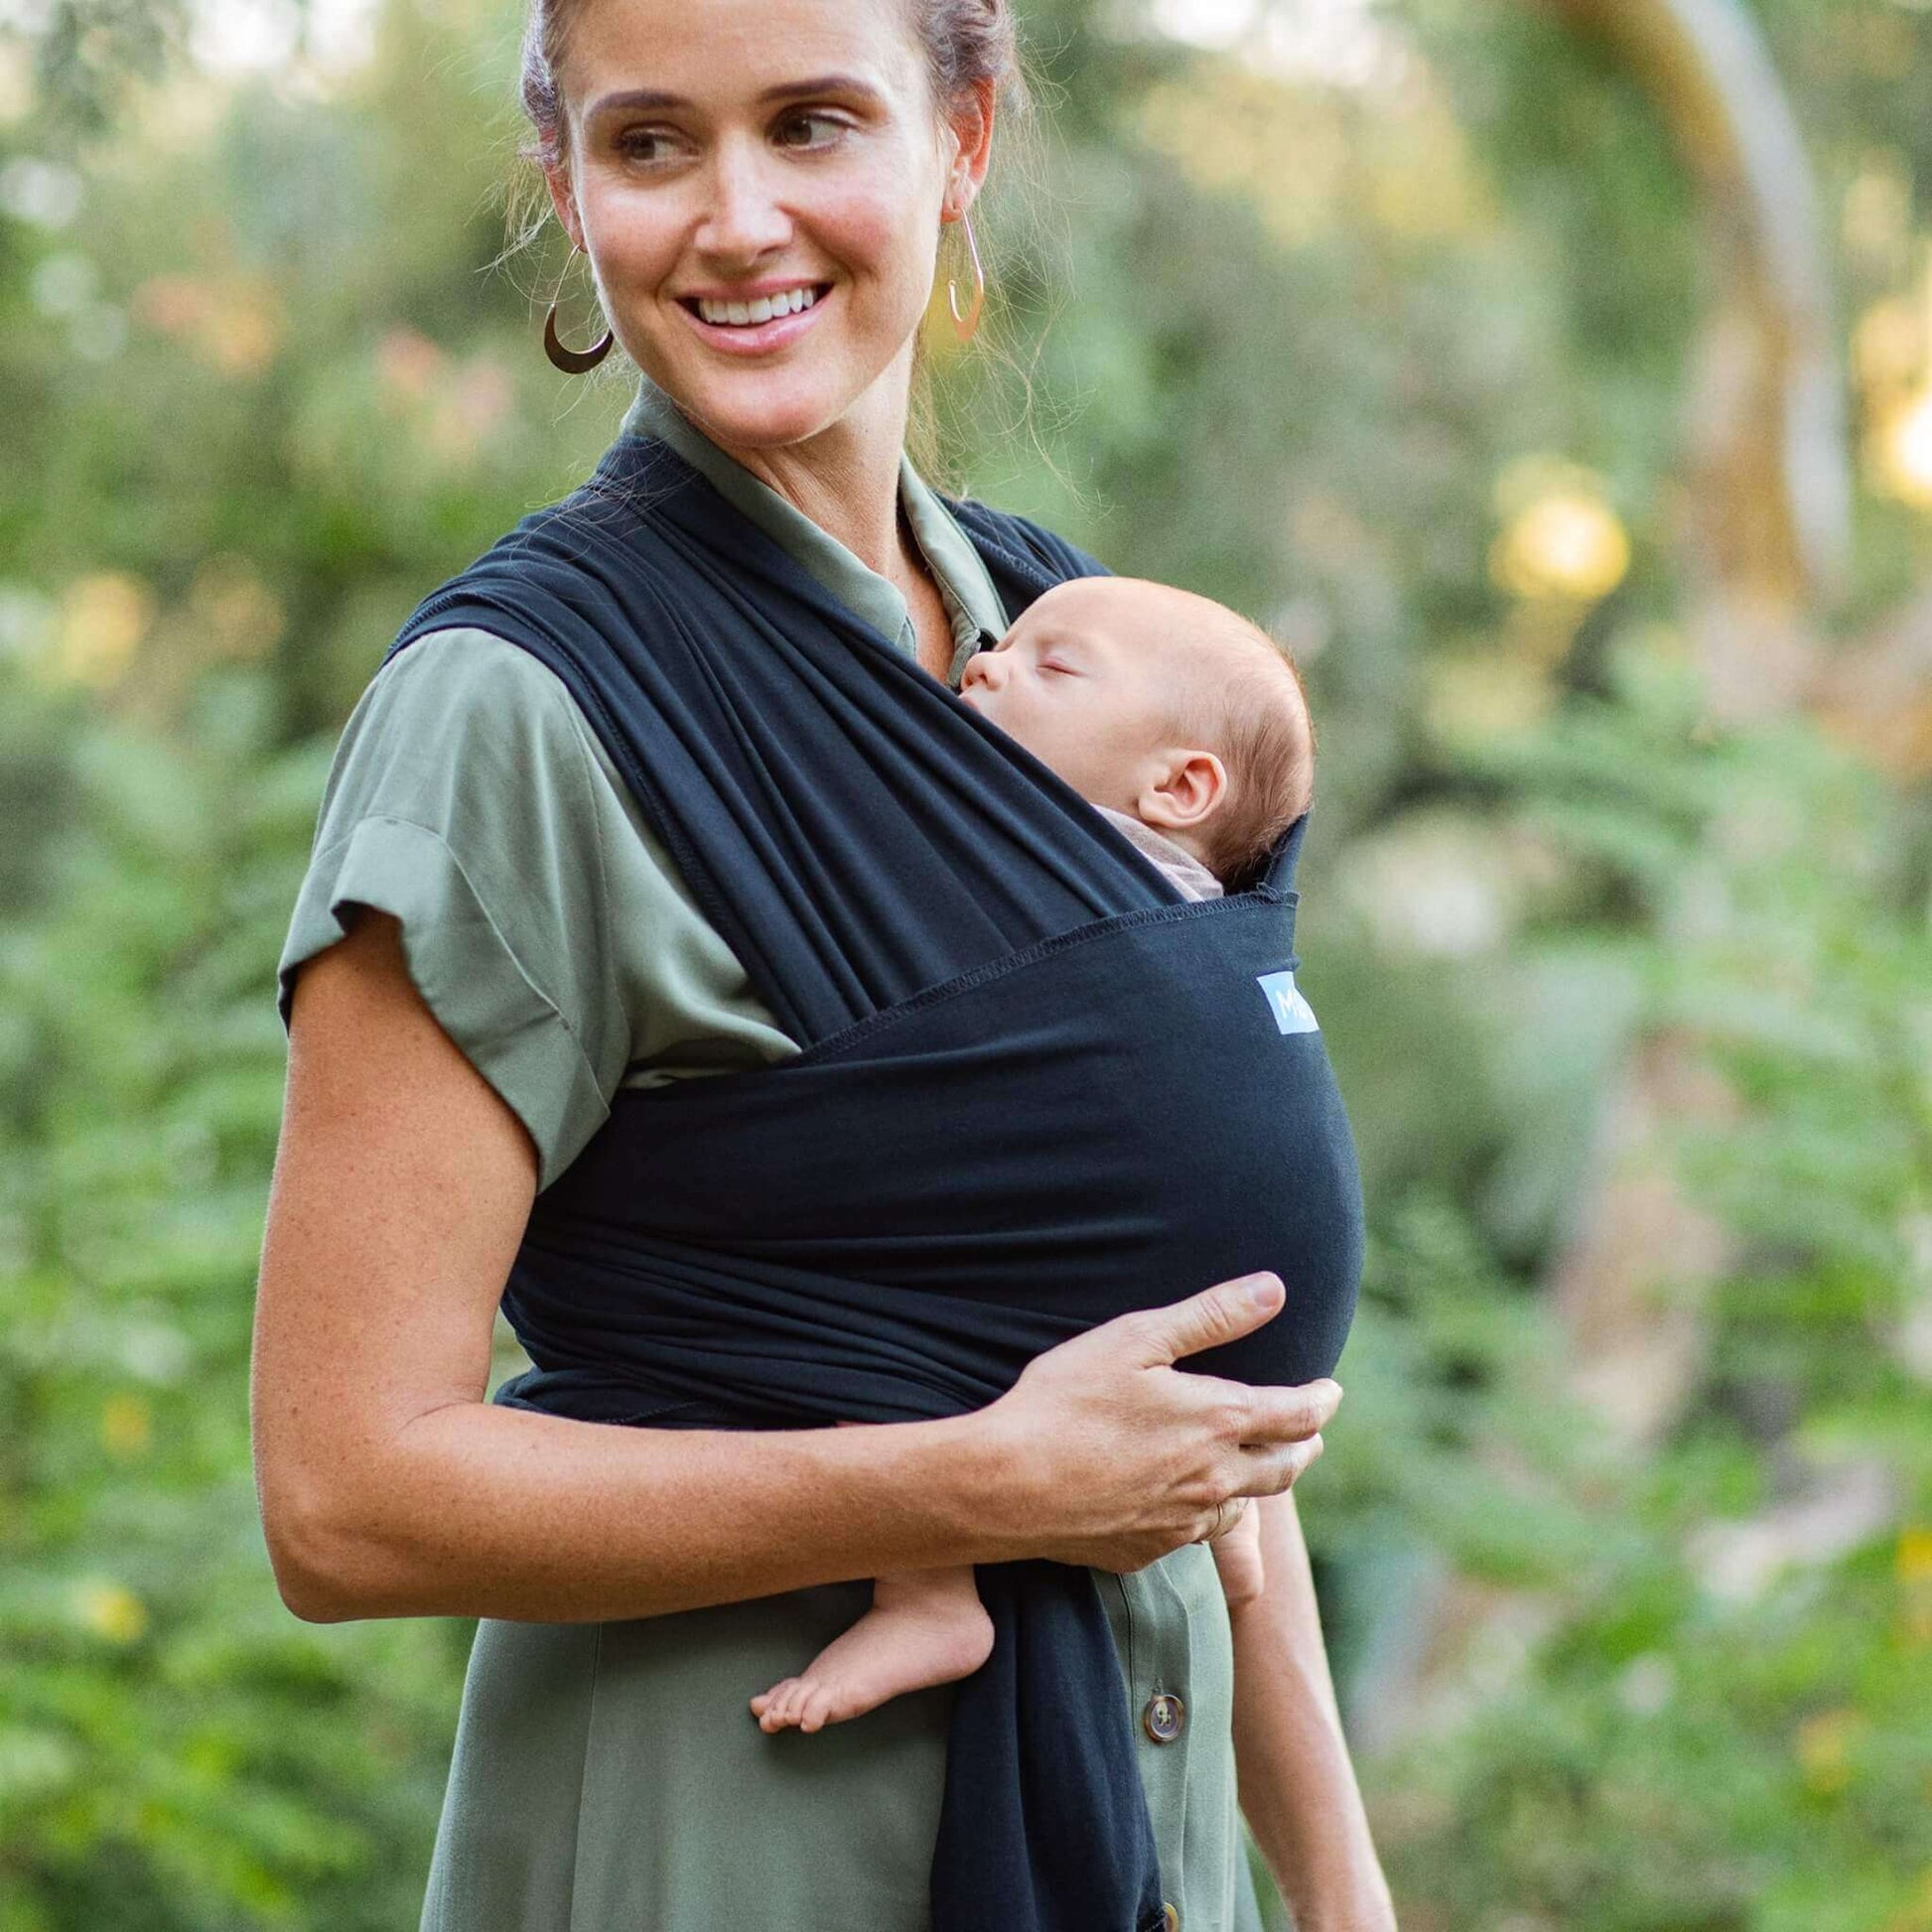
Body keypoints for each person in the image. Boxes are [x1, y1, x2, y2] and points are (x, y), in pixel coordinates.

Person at [248, 0, 1398, 1927]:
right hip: (730, 1828)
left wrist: (1346, 1901)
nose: (737, 217)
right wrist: (969, 1484)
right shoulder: (519, 709)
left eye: (811, 122)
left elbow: (1199, 1428)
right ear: (565, 184)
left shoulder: (1061, 642)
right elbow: (342, 1496)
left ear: (959, 142)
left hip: (1155, 1808)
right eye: (648, 144)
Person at [751, 573, 1318, 1737]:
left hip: (1097, 1251)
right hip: (1229, 1298)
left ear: (1176, 785)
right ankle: (1228, 1512)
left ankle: (924, 1585)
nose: (986, 665)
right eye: (1000, 646)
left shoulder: (1030, 852)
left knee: (846, 1296)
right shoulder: (1176, 887)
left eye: (1052, 668)